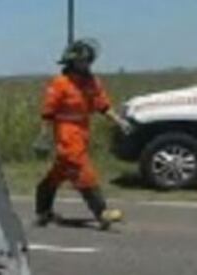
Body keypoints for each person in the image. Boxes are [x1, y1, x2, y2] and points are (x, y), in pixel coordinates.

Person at [35, 39, 132, 230]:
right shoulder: (60, 83)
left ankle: (43, 211)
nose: (86, 64)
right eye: (82, 61)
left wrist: (119, 121)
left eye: (88, 61)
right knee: (82, 170)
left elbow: (102, 105)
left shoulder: (92, 82)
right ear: (71, 61)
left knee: (56, 175)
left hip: (82, 132)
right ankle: (101, 212)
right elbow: (48, 111)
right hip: (66, 133)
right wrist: (44, 135)